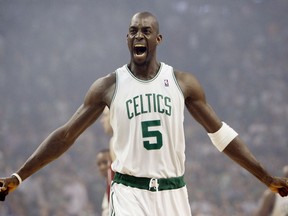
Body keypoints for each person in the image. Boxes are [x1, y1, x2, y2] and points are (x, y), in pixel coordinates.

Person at [1, 11, 288, 215]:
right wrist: (19, 176)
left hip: (174, 192)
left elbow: (221, 136)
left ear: (158, 38)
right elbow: (66, 135)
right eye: (133, 31)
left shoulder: (182, 82)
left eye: (146, 31)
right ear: (127, 38)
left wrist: (266, 178)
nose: (139, 35)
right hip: (129, 191)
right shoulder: (108, 85)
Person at [96, 149, 114, 216]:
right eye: (99, 164)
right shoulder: (107, 185)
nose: (102, 167)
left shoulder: (120, 186)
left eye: (105, 162)